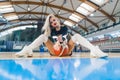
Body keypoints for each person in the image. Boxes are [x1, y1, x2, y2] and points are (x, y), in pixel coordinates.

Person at [15, 14, 108, 57]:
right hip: (54, 51)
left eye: (54, 20)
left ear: (58, 20)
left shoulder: (65, 28)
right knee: (43, 36)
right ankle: (27, 49)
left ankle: (94, 50)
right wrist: (57, 44)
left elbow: (67, 41)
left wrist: (63, 42)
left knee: (76, 36)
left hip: (66, 50)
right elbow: (50, 42)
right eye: (51, 22)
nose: (53, 22)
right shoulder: (51, 31)